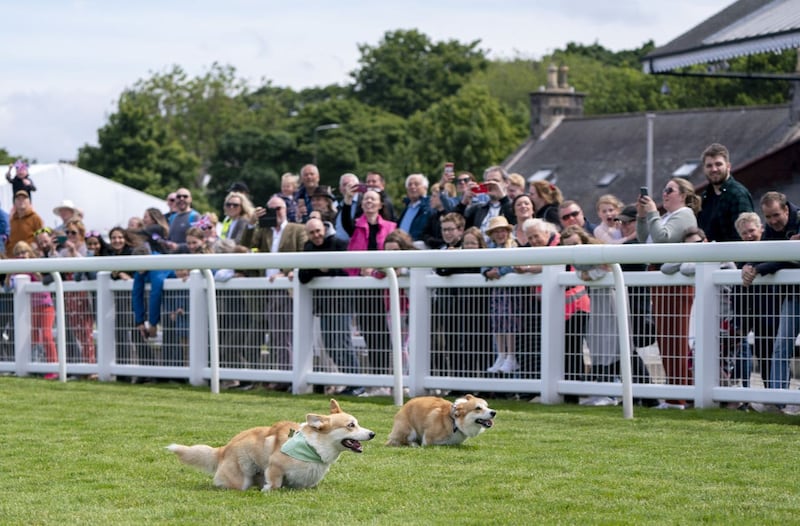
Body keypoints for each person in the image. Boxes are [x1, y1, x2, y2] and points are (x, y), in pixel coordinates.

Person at [637, 177, 701, 409]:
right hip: (662, 280)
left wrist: (653, 213)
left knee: (675, 338)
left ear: (683, 195)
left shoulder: (684, 214)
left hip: (675, 284)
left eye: (669, 190)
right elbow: (646, 239)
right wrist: (643, 216)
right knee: (666, 340)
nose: (664, 194)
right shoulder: (667, 217)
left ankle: (678, 397)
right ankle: (678, 393)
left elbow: (663, 239)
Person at [741, 192, 800, 396]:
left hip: (792, 293)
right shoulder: (773, 230)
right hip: (793, 296)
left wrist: (759, 268)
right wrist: (749, 265)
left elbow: (785, 259)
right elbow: (764, 253)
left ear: (786, 210)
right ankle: (778, 400)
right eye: (768, 217)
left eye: (776, 215)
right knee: (781, 347)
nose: (773, 221)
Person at [240, 196, 308, 371]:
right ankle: (276, 373)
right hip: (264, 289)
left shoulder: (297, 229)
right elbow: (244, 246)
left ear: (286, 209)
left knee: (282, 334)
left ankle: (285, 374)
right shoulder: (264, 231)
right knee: (267, 334)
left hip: (285, 288)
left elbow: (304, 256)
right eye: (271, 209)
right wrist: (251, 223)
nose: (276, 213)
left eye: (279, 208)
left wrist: (284, 273)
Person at [560, 225, 620, 406]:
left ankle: (613, 393)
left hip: (610, 301)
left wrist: (589, 274)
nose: (574, 249)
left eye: (576, 244)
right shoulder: (578, 259)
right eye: (569, 246)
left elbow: (605, 269)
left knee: (615, 348)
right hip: (595, 303)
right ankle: (603, 391)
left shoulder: (597, 250)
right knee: (598, 348)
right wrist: (587, 274)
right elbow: (581, 273)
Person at [340, 186, 397, 375]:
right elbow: (345, 219)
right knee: (369, 333)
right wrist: (348, 198)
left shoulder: (391, 227)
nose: (369, 202)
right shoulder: (355, 226)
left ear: (381, 204)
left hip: (385, 288)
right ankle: (377, 375)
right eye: (366, 199)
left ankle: (390, 376)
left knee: (387, 333)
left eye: (373, 199)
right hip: (363, 288)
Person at [298, 218, 360, 388]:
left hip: (341, 304)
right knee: (330, 346)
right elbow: (303, 277)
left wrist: (322, 269)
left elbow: (346, 271)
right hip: (324, 306)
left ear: (324, 229)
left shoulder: (339, 243)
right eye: (311, 233)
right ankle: (351, 383)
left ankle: (356, 383)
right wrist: (320, 269)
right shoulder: (308, 247)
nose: (316, 235)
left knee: (342, 344)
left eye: (318, 231)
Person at [732, 212, 779, 392]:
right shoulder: (740, 255)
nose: (749, 236)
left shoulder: (770, 247)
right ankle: (746, 397)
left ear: (761, 228)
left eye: (752, 231)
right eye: (744, 233)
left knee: (769, 353)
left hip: (770, 309)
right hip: (747, 311)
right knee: (751, 353)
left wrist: (754, 267)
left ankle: (775, 396)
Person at [8, 241, 57, 378]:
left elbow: (44, 280)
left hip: (46, 305)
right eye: (18, 254)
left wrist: (35, 271)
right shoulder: (17, 270)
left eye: (24, 252)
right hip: (31, 308)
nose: (21, 256)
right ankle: (35, 366)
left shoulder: (37, 264)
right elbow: (8, 287)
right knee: (33, 337)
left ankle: (53, 367)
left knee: (47, 336)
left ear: (29, 253)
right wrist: (8, 274)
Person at [481, 216, 520, 374]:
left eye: (502, 231)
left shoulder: (513, 245)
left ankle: (511, 356)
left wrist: (500, 271)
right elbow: (483, 265)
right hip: (497, 291)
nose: (500, 234)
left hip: (510, 292)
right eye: (496, 232)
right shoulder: (489, 248)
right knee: (497, 322)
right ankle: (501, 354)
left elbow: (514, 265)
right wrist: (487, 272)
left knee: (509, 321)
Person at [696, 143, 754, 242]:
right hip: (707, 255)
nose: (714, 169)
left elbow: (744, 235)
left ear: (728, 166)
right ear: (704, 169)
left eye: (718, 164)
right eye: (709, 165)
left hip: (732, 255)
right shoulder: (705, 197)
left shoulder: (738, 195)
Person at [59, 219, 97, 366]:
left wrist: (74, 252)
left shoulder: (85, 249)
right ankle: (80, 366)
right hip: (69, 294)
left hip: (82, 294)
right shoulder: (63, 250)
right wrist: (52, 249)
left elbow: (85, 266)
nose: (69, 235)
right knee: (74, 331)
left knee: (85, 331)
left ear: (80, 233)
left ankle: (90, 365)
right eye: (67, 233)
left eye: (73, 232)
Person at [456, 165, 515, 238]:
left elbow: (514, 221)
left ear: (506, 183)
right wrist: (463, 203)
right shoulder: (478, 208)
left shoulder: (514, 205)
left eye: (495, 181)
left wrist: (503, 199)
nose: (491, 184)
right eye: (487, 181)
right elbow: (455, 224)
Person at [396, 173, 431, 243]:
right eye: (409, 185)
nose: (412, 187)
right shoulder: (406, 207)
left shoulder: (429, 207)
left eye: (416, 184)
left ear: (425, 187)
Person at [7, 190, 44, 255]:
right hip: (12, 258)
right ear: (14, 203)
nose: (21, 201)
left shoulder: (36, 218)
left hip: (28, 258)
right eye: (18, 199)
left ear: (29, 202)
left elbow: (41, 238)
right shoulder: (11, 220)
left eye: (24, 198)